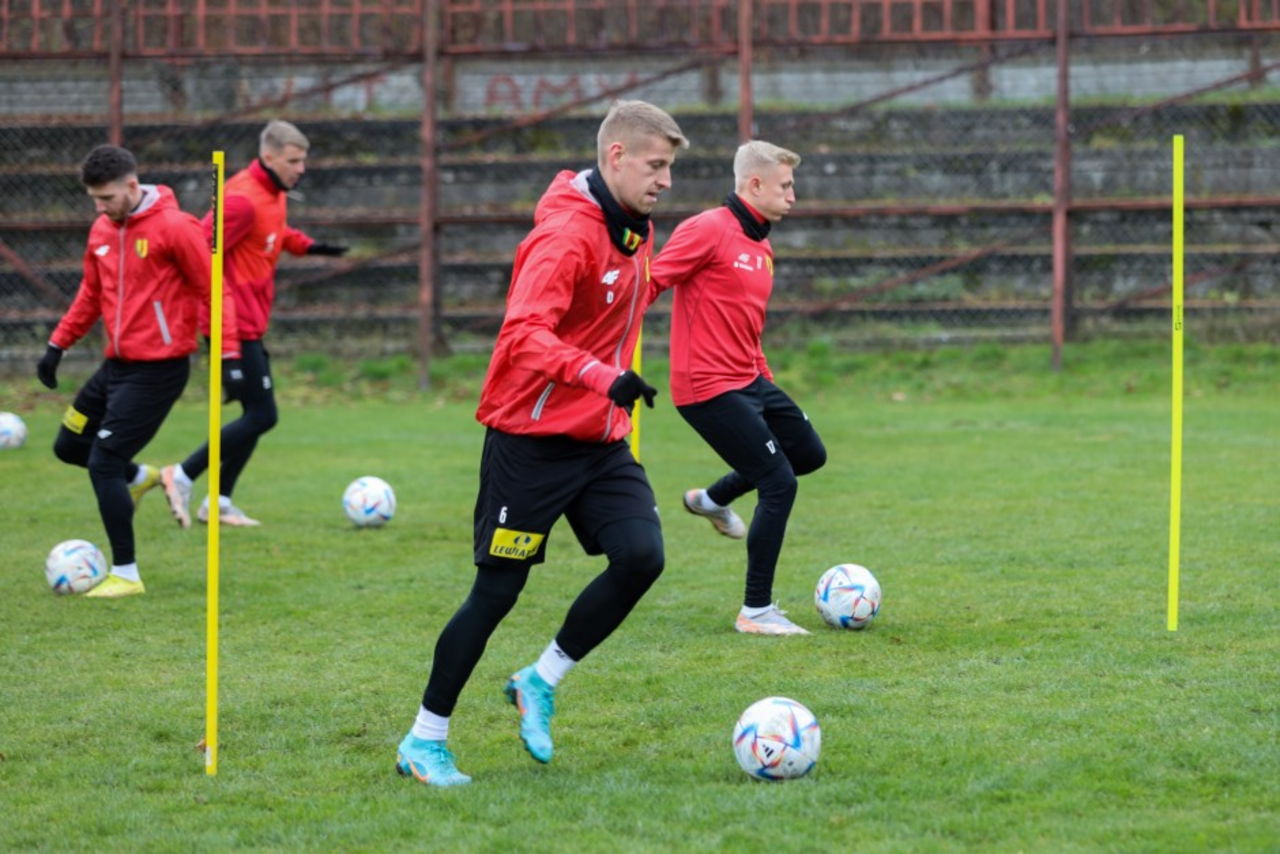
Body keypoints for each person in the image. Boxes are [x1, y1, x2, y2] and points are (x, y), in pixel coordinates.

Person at [395, 100, 689, 787]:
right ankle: (423, 739)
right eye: (656, 166)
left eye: (670, 168)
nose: (667, 181)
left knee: (641, 556)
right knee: (497, 593)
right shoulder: (564, 236)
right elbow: (523, 335)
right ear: (616, 157)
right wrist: (602, 375)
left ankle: (539, 678)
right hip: (529, 441)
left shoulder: (634, 228)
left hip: (599, 439)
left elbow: (622, 300)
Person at [36, 144, 240, 598]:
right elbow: (91, 294)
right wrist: (57, 344)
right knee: (69, 445)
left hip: (158, 371)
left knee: (103, 461)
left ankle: (126, 574)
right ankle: (141, 477)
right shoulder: (102, 230)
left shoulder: (176, 227)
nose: (100, 207)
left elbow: (214, 290)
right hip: (116, 366)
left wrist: (227, 355)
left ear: (132, 185)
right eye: (94, 199)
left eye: (107, 198)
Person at [648, 140, 827, 636]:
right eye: (785, 186)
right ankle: (756, 611)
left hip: (750, 379)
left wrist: (764, 379)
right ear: (755, 184)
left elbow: (747, 325)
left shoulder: (761, 245)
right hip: (706, 387)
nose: (793, 195)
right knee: (778, 482)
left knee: (808, 454)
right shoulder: (707, 229)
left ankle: (712, 499)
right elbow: (649, 284)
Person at [160, 120, 347, 528]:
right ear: (268, 157)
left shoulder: (274, 192)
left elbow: (273, 231)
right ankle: (182, 475)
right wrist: (223, 339)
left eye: (303, 160)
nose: (301, 169)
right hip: (231, 325)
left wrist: (310, 246)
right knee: (263, 415)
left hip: (251, 323)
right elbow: (198, 252)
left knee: (255, 415)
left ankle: (219, 502)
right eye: (293, 161)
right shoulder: (242, 200)